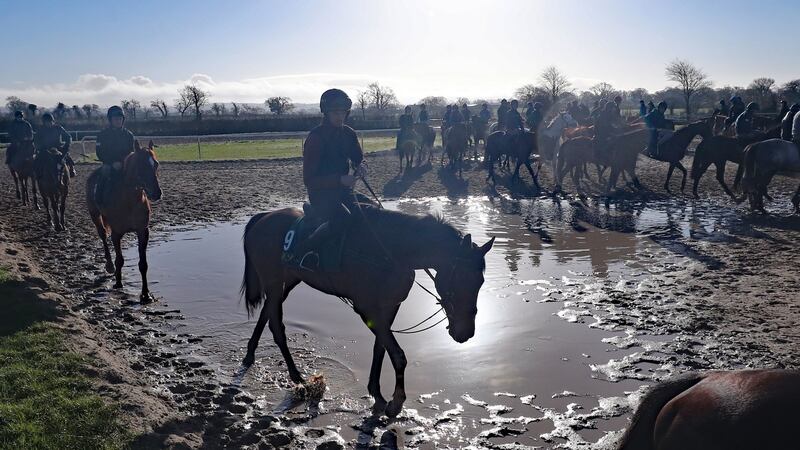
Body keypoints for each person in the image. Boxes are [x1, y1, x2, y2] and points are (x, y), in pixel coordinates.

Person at [290, 89, 366, 268]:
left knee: (372, 211)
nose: (340, 116)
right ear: (326, 112)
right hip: (321, 195)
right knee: (343, 219)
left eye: (343, 112)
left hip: (344, 191)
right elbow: (309, 180)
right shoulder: (315, 138)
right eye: (335, 112)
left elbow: (359, 158)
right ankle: (305, 252)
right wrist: (340, 180)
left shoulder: (349, 133)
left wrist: (362, 166)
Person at [94, 106, 135, 208]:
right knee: (105, 172)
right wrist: (112, 162)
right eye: (116, 119)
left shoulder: (129, 135)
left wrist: (123, 162)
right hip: (109, 163)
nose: (118, 121)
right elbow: (100, 152)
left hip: (124, 164)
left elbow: (131, 152)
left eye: (120, 119)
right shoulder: (102, 135)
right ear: (110, 120)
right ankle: (99, 201)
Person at [34, 112, 76, 177]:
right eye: (46, 122)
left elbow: (68, 137)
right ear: (44, 122)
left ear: (52, 121)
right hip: (45, 149)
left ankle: (72, 168)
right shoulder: (40, 130)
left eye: (50, 121)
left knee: (65, 154)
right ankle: (36, 174)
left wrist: (67, 144)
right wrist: (39, 147)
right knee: (37, 160)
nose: (49, 123)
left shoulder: (58, 128)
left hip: (58, 147)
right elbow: (36, 140)